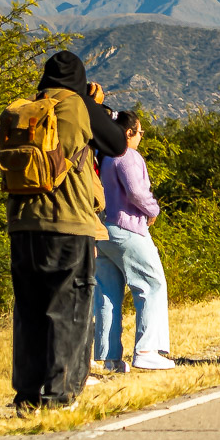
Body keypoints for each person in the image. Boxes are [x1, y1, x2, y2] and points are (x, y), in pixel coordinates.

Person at [7, 51, 127, 411]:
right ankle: (60, 397)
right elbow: (117, 144)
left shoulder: (29, 108)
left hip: (22, 223)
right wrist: (91, 103)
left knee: (29, 311)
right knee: (69, 307)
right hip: (67, 222)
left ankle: (27, 397)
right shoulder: (78, 105)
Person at [93, 111, 174, 372]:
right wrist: (153, 210)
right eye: (140, 132)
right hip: (127, 229)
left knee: (107, 293)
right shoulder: (128, 156)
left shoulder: (103, 157)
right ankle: (147, 350)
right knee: (152, 285)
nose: (141, 137)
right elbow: (137, 192)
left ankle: (110, 358)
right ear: (129, 133)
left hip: (102, 231)